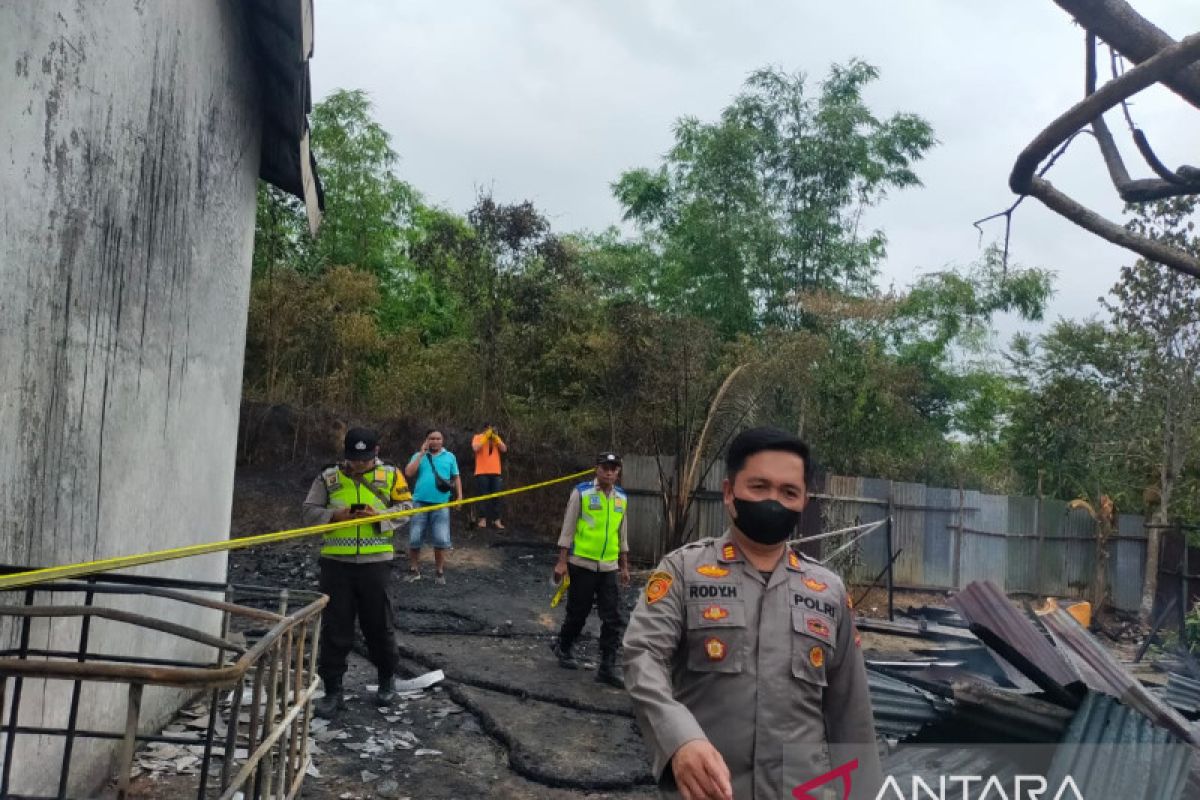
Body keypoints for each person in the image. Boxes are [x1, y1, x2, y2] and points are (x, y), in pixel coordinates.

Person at [622, 428, 881, 800]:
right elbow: (641, 656)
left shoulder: (828, 592)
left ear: (804, 501)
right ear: (729, 493)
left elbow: (851, 713)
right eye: (759, 487)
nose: (773, 501)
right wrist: (679, 739)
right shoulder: (682, 571)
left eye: (788, 492)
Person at [302, 427, 413, 716]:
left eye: (364, 459)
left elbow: (407, 508)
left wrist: (380, 517)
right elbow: (309, 511)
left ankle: (387, 680)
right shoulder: (328, 476)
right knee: (335, 627)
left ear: (376, 451)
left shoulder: (390, 475)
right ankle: (333, 690)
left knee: (378, 625)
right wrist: (334, 516)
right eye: (353, 458)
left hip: (375, 564)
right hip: (335, 565)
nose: (358, 464)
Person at [550, 451, 631, 688]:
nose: (609, 472)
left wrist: (624, 566)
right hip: (582, 563)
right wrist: (562, 561)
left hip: (608, 566)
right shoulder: (582, 492)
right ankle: (564, 646)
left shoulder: (621, 497)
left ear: (618, 471)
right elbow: (568, 528)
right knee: (578, 612)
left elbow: (622, 534)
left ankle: (607, 666)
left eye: (614, 468)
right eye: (605, 467)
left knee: (614, 617)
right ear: (597, 468)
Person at [403, 429, 462, 585]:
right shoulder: (419, 456)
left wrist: (459, 497)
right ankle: (414, 570)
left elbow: (456, 477)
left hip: (441, 503)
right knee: (415, 538)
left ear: (442, 441)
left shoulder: (450, 457)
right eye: (432, 438)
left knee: (441, 540)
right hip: (419, 502)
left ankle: (439, 572)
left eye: (438, 438)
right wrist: (421, 454)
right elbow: (408, 473)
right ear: (426, 440)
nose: (435, 441)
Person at [471, 422, 508, 529]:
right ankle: (482, 520)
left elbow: (504, 449)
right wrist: (485, 437)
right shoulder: (477, 437)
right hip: (481, 472)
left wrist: (495, 438)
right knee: (482, 496)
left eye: (493, 429)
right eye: (489, 429)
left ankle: (497, 520)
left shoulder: (496, 438)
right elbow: (475, 448)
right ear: (485, 428)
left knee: (497, 496)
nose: (491, 430)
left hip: (496, 472)